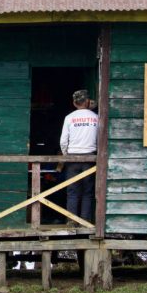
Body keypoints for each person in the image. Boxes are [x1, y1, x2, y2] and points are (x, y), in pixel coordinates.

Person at [59, 89, 99, 224]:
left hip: (73, 159)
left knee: (72, 191)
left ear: (74, 103)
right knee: (87, 191)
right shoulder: (96, 117)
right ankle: (85, 221)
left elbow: (63, 141)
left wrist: (66, 156)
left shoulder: (69, 118)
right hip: (89, 158)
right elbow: (100, 138)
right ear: (87, 101)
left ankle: (71, 221)